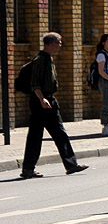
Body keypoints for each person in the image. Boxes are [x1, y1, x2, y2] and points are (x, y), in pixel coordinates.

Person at [20, 32, 89, 179]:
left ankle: (69, 165)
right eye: (58, 42)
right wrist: (42, 99)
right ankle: (30, 169)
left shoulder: (48, 59)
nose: (60, 45)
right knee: (42, 135)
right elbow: (35, 83)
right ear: (50, 44)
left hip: (47, 101)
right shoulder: (40, 60)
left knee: (52, 134)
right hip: (42, 102)